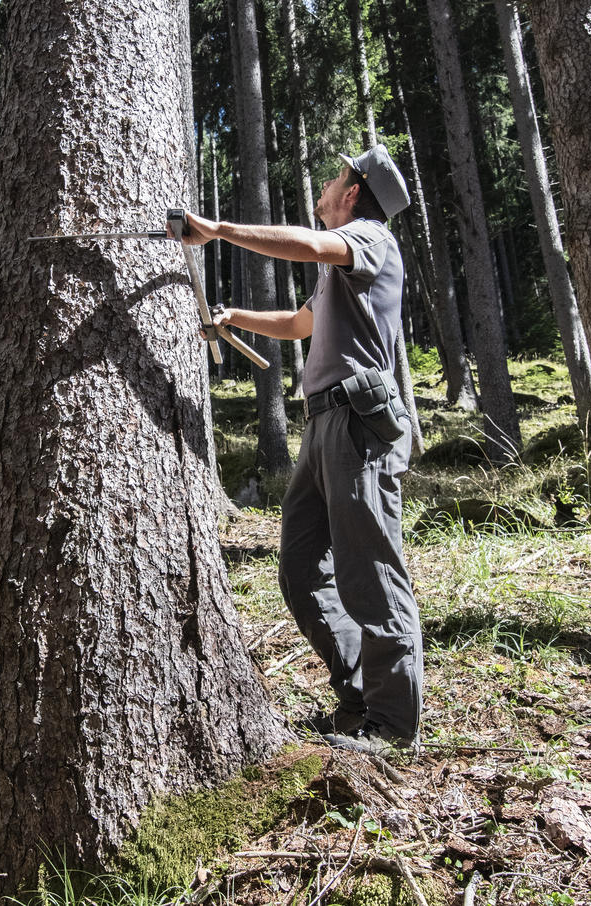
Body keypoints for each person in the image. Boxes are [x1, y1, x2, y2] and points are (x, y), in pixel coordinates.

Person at [180, 144, 422, 756]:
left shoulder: (370, 240)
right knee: (301, 566)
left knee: (370, 570)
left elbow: (311, 245)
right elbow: (297, 324)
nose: (327, 184)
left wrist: (218, 230)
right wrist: (234, 316)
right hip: (321, 426)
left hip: (356, 425)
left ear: (353, 193)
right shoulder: (342, 268)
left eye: (338, 176)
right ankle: (360, 697)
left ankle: (394, 725)